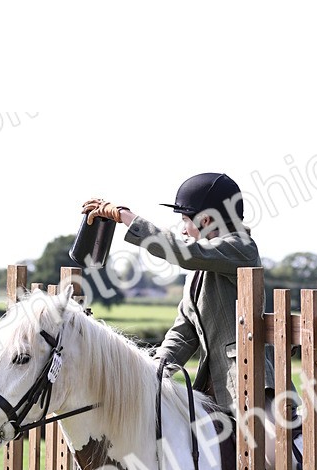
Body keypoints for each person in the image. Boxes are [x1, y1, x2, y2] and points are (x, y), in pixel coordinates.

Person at [81, 172, 275, 417]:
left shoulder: (242, 248)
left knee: (271, 454)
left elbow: (184, 251)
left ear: (205, 220)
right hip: (213, 393)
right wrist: (153, 370)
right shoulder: (198, 270)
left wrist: (125, 217)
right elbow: (184, 333)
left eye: (185, 220)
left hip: (251, 390)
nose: (183, 230)